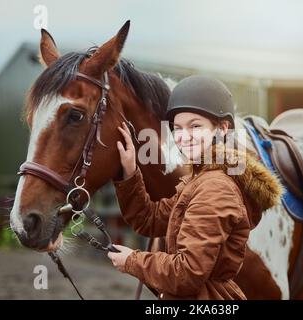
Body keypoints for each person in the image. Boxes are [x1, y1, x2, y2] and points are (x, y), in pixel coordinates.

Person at [107, 75, 282, 299]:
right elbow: (149, 220)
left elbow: (187, 274)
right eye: (177, 128)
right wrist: (130, 173)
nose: (183, 137)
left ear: (221, 129)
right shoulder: (199, 179)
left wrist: (131, 261)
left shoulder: (215, 189)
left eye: (195, 126)